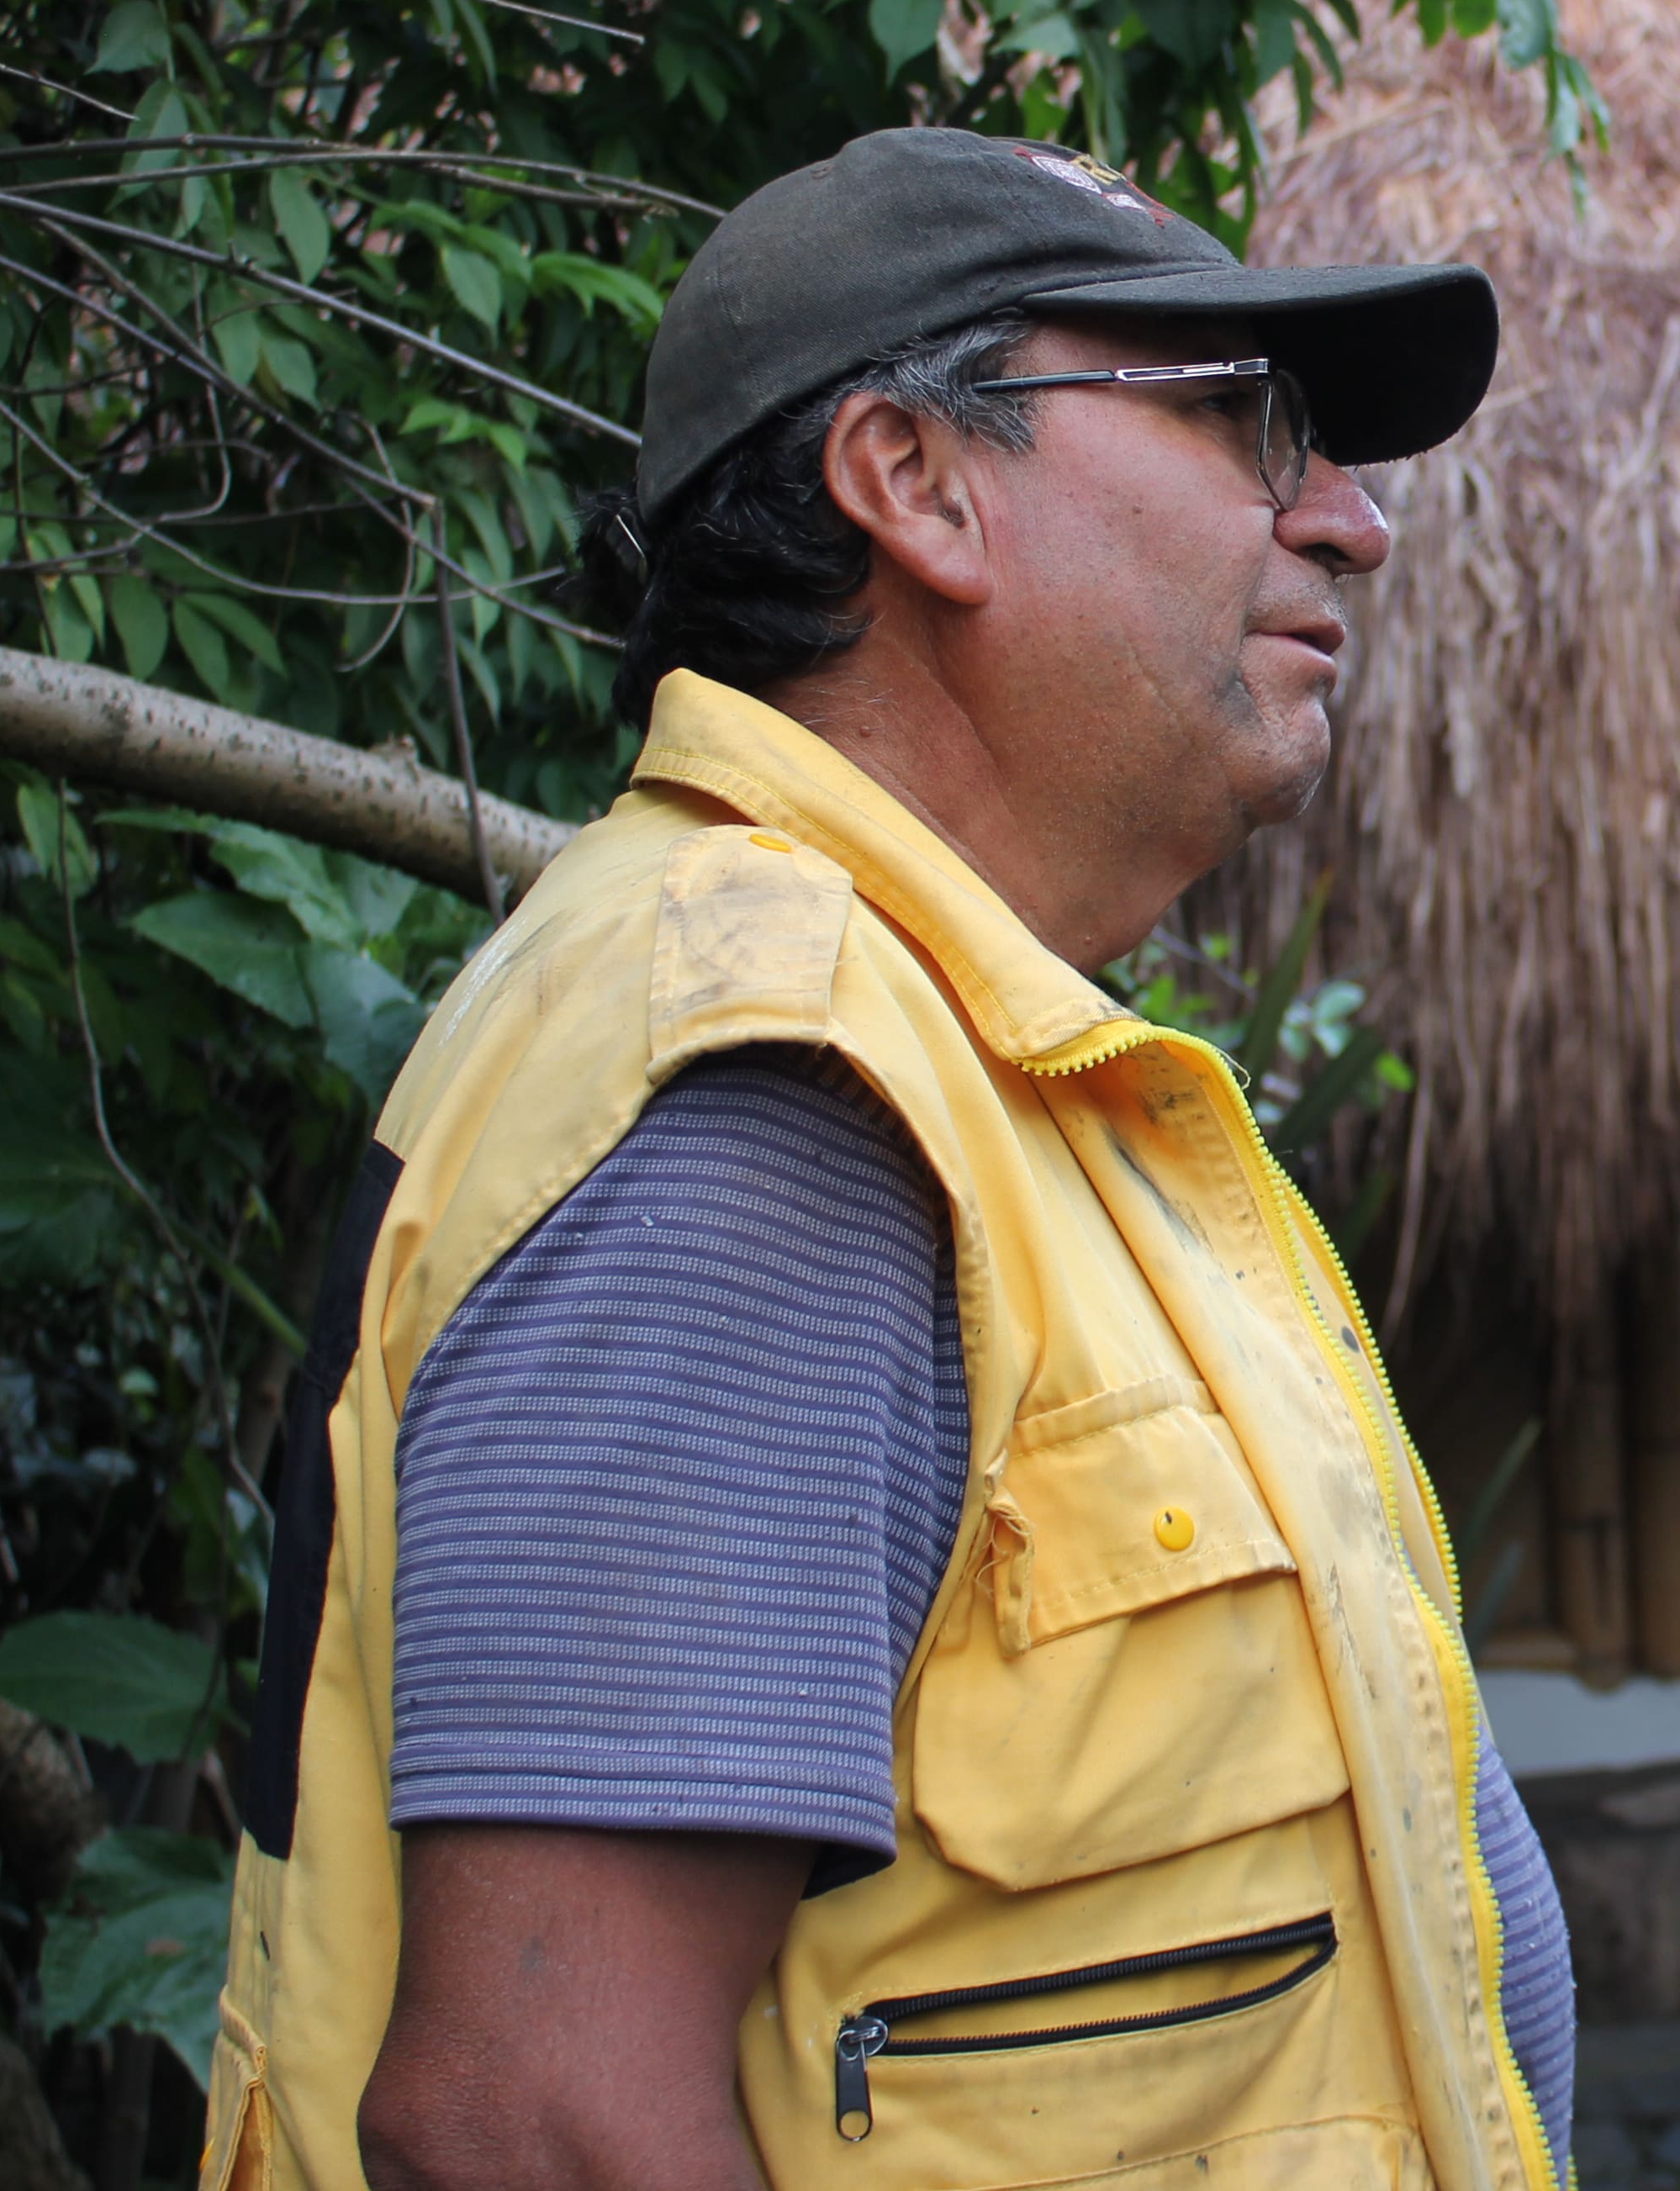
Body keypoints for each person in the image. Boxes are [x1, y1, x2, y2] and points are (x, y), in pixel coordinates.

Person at [198, 128, 1571, 2191]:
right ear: (917, 482)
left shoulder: (986, 1075)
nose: (1355, 524)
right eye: (1247, 421)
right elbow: (541, 2123)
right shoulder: (773, 1076)